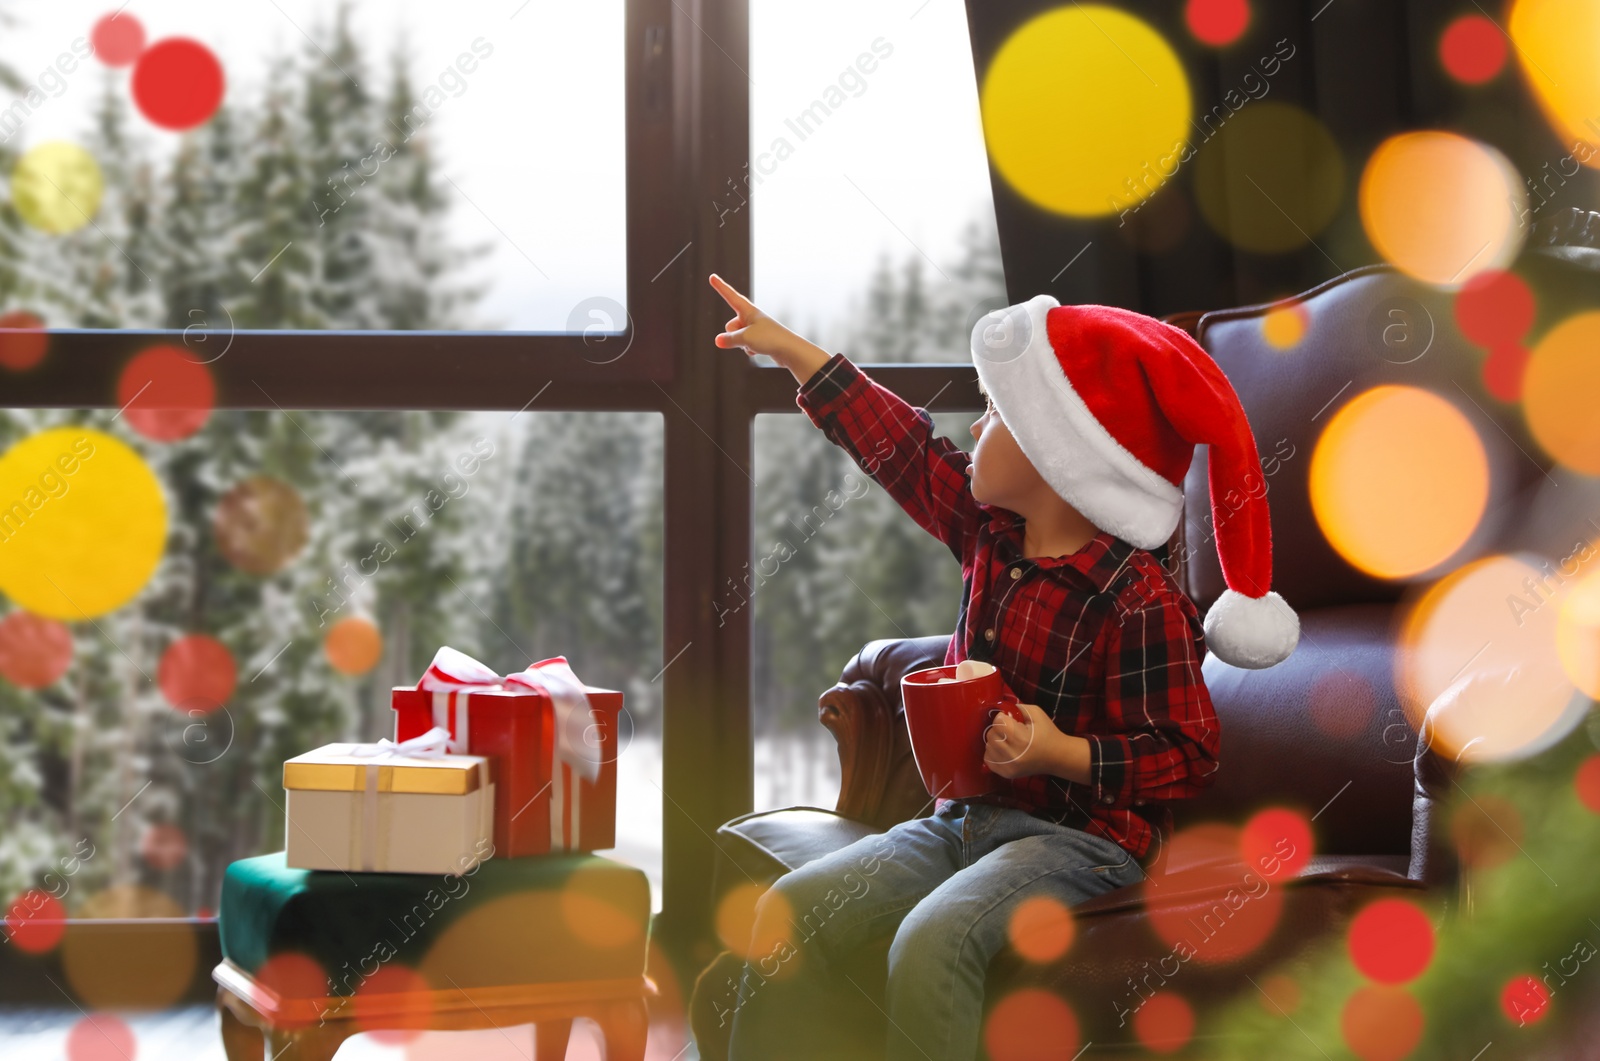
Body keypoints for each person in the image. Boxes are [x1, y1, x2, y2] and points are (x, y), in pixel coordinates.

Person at [706, 273, 1300, 1061]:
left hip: (1081, 841)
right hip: (960, 821)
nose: (976, 424)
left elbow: (1188, 753)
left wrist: (1064, 753)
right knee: (791, 907)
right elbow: (903, 449)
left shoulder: (1138, 600)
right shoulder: (992, 534)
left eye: (995, 412)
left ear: (1060, 454)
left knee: (934, 939)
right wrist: (793, 353)